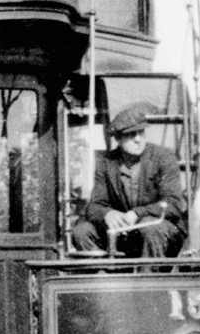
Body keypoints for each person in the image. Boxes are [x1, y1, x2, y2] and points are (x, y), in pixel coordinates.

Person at [72, 105, 187, 258]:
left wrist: (137, 213)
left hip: (162, 231)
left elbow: (174, 203)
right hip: (125, 234)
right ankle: (102, 277)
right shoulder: (106, 163)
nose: (138, 139)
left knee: (151, 228)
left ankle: (147, 280)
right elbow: (95, 205)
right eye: (131, 135)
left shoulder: (163, 157)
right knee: (81, 231)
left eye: (141, 133)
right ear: (118, 139)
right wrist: (108, 214)